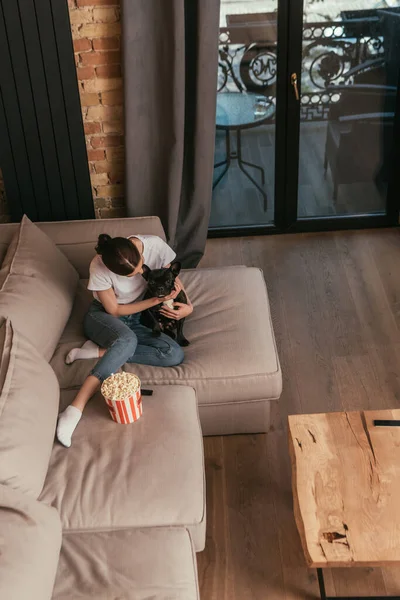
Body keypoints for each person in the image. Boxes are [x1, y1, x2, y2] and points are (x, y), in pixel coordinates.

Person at [56, 232, 193, 448]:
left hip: (138, 316)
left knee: (174, 353)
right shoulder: (98, 265)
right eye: (133, 275)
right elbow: (115, 309)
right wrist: (156, 300)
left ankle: (98, 351)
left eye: (141, 266)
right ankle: (74, 409)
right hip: (104, 317)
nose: (141, 273)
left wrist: (188, 306)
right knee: (127, 340)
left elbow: (173, 278)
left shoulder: (154, 245)